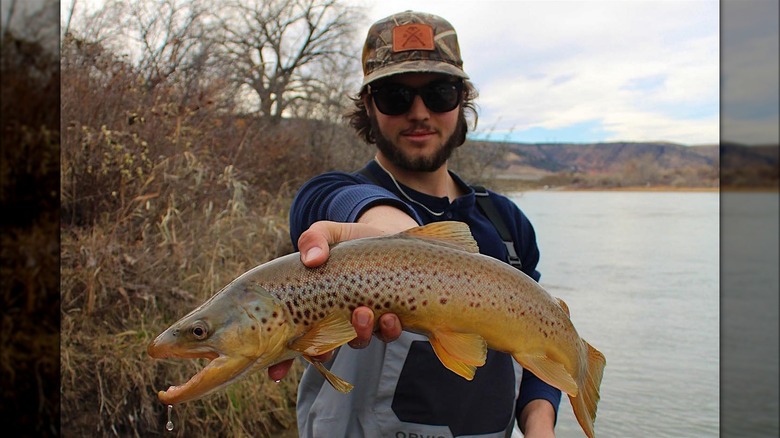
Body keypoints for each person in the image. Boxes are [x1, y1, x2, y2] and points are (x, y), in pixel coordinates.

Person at [268, 10, 561, 438]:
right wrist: (396, 243)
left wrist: (540, 425)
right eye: (395, 95)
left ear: (462, 101)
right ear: (368, 106)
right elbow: (344, 204)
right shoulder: (333, 195)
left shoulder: (506, 224)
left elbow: (541, 341)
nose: (419, 112)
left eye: (439, 93)